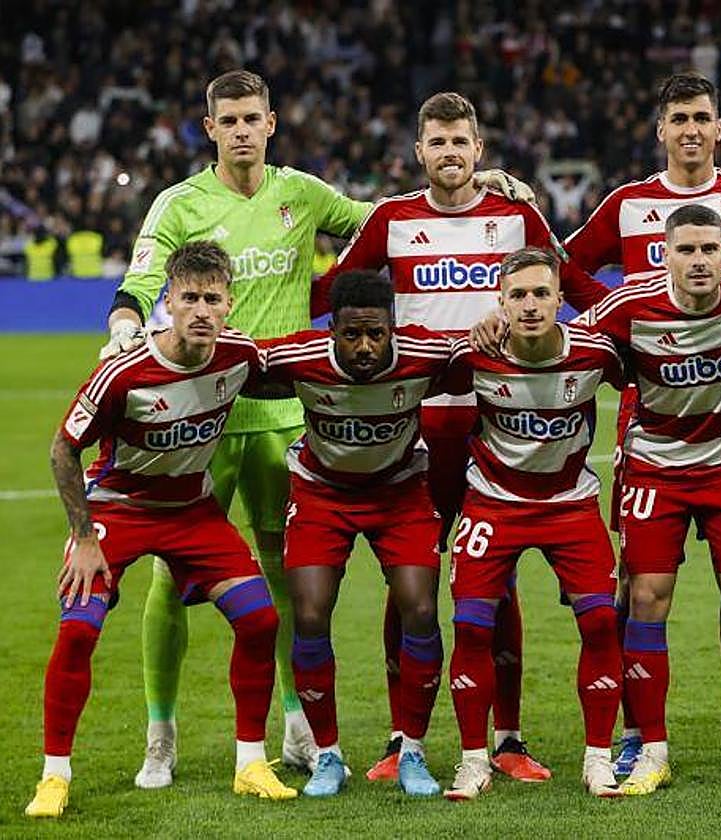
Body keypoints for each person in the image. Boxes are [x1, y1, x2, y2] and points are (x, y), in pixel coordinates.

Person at [313, 92, 608, 787]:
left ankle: (506, 736)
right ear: (419, 152)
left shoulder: (516, 216)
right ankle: (402, 735)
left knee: (494, 581)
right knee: (408, 579)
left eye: (461, 141)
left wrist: (648, 328)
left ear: (480, 149)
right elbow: (331, 295)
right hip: (412, 424)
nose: (449, 153)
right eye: (437, 142)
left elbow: (575, 286)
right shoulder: (391, 218)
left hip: (492, 419)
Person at [105, 69, 373, 786]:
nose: (244, 130)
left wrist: (469, 188)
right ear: (211, 127)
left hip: (287, 419)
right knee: (172, 573)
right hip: (201, 421)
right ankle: (160, 736)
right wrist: (125, 321)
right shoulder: (180, 203)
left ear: (272, 123)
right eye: (231, 120)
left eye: (254, 118)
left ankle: (295, 726)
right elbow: (141, 275)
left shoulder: (302, 193)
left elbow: (380, 225)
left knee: (289, 579)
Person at [563, 70, 721, 774]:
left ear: (719, 127)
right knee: (639, 590)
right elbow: (567, 268)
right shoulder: (630, 204)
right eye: (680, 120)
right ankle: (641, 736)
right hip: (650, 429)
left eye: (703, 118)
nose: (692, 130)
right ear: (662, 130)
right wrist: (623, 338)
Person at [25, 242, 296, 818]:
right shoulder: (123, 372)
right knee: (78, 629)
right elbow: (62, 450)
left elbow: (293, 373)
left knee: (261, 619)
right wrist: (85, 536)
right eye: (189, 298)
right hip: (118, 511)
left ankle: (250, 761)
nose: (201, 310)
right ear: (167, 302)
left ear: (230, 304)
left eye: (213, 299)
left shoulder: (239, 357)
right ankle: (54, 775)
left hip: (192, 514)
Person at [580, 204, 721, 796]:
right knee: (647, 598)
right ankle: (651, 749)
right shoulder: (628, 307)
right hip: (657, 467)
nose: (699, 261)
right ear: (665, 255)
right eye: (686, 250)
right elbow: (568, 342)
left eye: (709, 250)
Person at [256, 271, 452, 797]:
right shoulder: (298, 358)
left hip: (401, 494)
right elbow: (238, 365)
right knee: (311, 613)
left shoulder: (427, 356)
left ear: (394, 328)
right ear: (331, 331)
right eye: (351, 335)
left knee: (422, 608)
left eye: (376, 334)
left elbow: (478, 362)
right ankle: (328, 756)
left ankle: (411, 750)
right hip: (323, 495)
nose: (365, 347)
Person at [442, 248, 624, 800]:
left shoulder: (595, 354)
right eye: (517, 295)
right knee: (472, 625)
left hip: (569, 503)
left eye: (540, 293)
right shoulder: (472, 356)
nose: (529, 305)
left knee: (599, 623)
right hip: (493, 504)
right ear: (500, 302)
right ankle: (474, 759)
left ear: (559, 301)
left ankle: (598, 758)